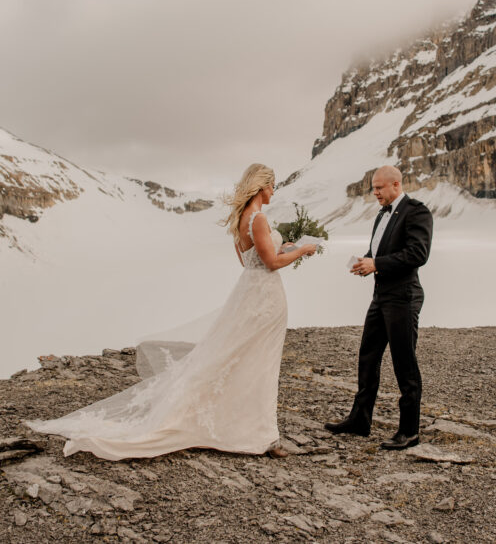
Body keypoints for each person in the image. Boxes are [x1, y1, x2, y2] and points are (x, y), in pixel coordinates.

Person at [25, 163, 316, 459]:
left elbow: (250, 261)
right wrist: (301, 251)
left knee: (240, 358)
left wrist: (283, 248)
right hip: (263, 297)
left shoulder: (242, 219)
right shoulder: (258, 218)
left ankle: (254, 429)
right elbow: (270, 264)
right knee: (259, 362)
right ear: (261, 186)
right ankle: (261, 435)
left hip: (249, 293)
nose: (274, 190)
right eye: (272, 184)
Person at [324, 165, 433, 450]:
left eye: (379, 188)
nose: (375, 193)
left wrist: (378, 264)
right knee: (367, 357)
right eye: (373, 188)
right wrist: (367, 262)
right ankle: (360, 420)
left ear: (396, 184)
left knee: (404, 363)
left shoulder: (416, 211)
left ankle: (409, 431)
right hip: (381, 296)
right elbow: (380, 251)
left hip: (403, 297)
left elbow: (418, 253)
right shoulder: (382, 214)